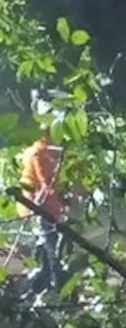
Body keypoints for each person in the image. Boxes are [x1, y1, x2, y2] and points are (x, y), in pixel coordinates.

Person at [17, 126, 67, 300]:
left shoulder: (47, 151)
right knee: (52, 248)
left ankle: (41, 286)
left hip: (46, 209)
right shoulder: (39, 152)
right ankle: (57, 286)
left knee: (48, 249)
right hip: (40, 208)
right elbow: (47, 185)